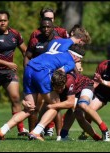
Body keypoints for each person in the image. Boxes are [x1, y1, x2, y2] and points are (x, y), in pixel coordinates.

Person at [0, 42, 87, 140]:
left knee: (29, 108)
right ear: (76, 56)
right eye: (80, 59)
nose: (79, 61)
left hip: (29, 69)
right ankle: (36, 132)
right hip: (42, 72)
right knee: (55, 105)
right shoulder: (71, 62)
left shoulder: (59, 52)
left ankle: (2, 130)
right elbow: (60, 72)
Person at [26, 8, 69, 136]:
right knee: (34, 106)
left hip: (51, 77)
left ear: (53, 25)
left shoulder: (58, 40)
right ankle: (32, 133)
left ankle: (60, 134)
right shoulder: (35, 39)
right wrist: (27, 71)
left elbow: (65, 56)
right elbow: (27, 56)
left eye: (49, 25)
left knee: (56, 104)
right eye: (44, 26)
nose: (46, 28)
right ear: (41, 25)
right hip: (36, 76)